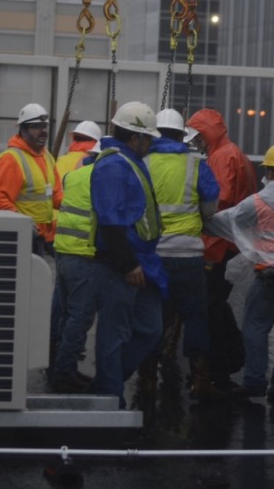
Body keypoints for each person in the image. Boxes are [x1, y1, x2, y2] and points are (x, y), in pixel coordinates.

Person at [203, 144, 274, 405]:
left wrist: (199, 221)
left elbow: (226, 220)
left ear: (269, 170)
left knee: (255, 329)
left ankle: (254, 383)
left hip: (268, 275)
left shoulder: (257, 202)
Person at [141, 108, 226, 400]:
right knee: (195, 317)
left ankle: (148, 379)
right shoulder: (196, 163)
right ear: (181, 135)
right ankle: (200, 380)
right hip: (189, 254)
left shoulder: (144, 162)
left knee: (153, 318)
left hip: (155, 255)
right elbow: (211, 206)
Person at [88, 101, 169, 407]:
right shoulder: (113, 166)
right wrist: (128, 264)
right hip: (120, 266)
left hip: (141, 263)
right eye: (148, 138)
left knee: (151, 330)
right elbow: (110, 223)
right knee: (115, 335)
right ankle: (108, 399)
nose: (151, 144)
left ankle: (104, 387)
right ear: (135, 138)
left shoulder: (128, 162)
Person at [186, 108, 257, 392]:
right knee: (214, 304)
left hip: (218, 245)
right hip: (227, 242)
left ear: (206, 133)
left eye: (198, 137)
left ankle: (224, 362)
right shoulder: (230, 153)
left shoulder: (222, 156)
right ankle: (225, 361)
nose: (196, 143)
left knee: (209, 306)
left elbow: (221, 197)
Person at [49, 140, 102, 394]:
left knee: (64, 314)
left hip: (63, 251)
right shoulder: (101, 179)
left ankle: (59, 367)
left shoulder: (73, 176)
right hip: (83, 255)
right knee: (80, 317)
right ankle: (64, 372)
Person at [0, 102, 63, 255]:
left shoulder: (47, 157)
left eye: (45, 126)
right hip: (19, 238)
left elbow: (55, 196)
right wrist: (23, 225)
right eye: (36, 127)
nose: (43, 132)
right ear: (23, 130)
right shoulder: (11, 159)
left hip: (42, 237)